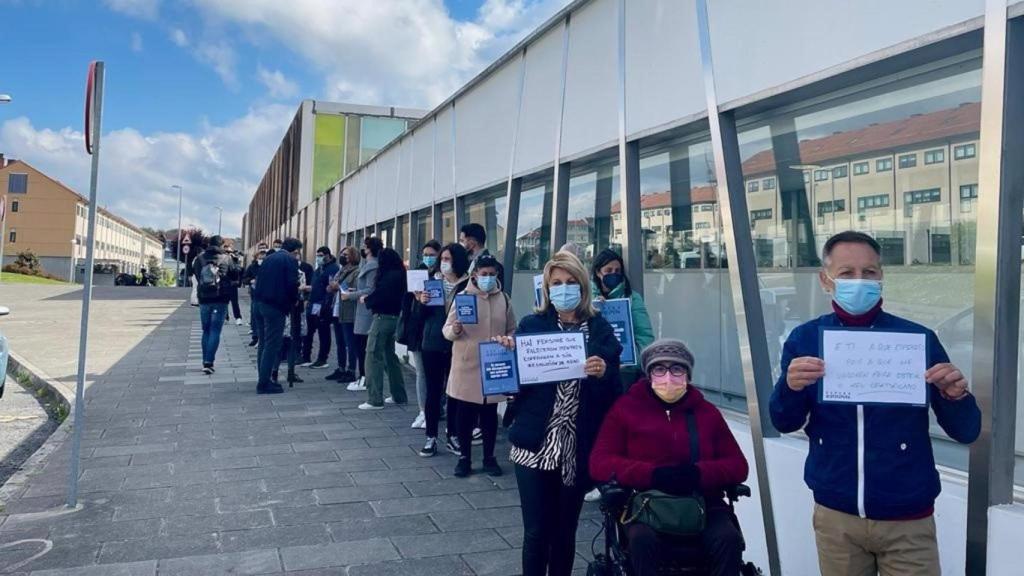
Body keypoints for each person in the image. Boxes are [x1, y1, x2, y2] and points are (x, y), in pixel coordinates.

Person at [769, 230, 981, 576]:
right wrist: (789, 388)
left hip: (908, 518)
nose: (859, 281)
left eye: (869, 273)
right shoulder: (805, 339)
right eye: (847, 273)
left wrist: (956, 396)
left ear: (881, 277)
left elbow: (966, 429)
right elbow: (784, 421)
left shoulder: (916, 339)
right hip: (837, 515)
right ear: (826, 280)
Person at [495, 250, 622, 576]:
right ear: (547, 290)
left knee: (565, 534)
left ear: (582, 287)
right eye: (557, 283)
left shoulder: (601, 330)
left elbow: (614, 394)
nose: (564, 289)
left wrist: (603, 371)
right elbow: (517, 385)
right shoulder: (532, 325)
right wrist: (507, 355)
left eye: (570, 282)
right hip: (534, 443)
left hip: (576, 449)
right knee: (536, 532)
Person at [590, 339, 749, 576]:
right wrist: (651, 474)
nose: (668, 377)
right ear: (648, 374)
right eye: (659, 369)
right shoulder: (626, 409)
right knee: (641, 541)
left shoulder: (707, 413)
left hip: (703, 501)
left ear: (688, 375)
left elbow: (738, 465)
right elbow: (599, 463)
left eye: (677, 369)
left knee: (728, 539)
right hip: (645, 502)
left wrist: (699, 473)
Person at [442, 254, 516, 477]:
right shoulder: (463, 297)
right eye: (484, 274)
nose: (488, 278)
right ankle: (464, 457)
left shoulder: (503, 298)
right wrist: (455, 330)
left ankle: (489, 457)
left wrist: (508, 340)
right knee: (465, 415)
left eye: (492, 275)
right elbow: (446, 329)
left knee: (489, 415)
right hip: (467, 364)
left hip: (494, 364)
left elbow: (512, 327)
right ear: (475, 275)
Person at [417, 242, 470, 457]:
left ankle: (452, 434)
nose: (443, 263)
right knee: (433, 390)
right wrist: (421, 302)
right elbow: (420, 318)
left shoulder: (468, 284)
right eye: (442, 259)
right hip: (432, 343)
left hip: (458, 343)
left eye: (448, 259)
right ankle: (430, 436)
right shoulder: (431, 282)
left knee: (455, 392)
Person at [358, 247, 408, 410]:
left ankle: (374, 399)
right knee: (389, 357)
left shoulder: (387, 276)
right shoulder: (401, 274)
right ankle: (399, 395)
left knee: (372, 355)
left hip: (382, 318)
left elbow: (380, 295)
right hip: (395, 317)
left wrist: (367, 299)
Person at [254, 237, 302, 394]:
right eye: (297, 253)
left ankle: (262, 377)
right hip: (275, 306)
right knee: (272, 344)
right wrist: (294, 300)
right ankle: (264, 383)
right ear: (295, 251)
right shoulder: (290, 261)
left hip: (260, 303)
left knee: (263, 342)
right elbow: (291, 284)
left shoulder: (269, 258)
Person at [400, 241, 440, 429]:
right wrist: (416, 299)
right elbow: (407, 305)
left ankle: (437, 408)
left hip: (436, 331)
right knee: (422, 373)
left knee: (439, 375)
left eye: (432, 254)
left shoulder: (443, 277)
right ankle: (423, 410)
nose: (428, 258)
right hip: (418, 330)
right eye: (425, 254)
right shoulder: (416, 274)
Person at [191, 235, 242, 375]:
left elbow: (195, 275)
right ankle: (209, 362)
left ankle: (204, 361)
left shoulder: (200, 259)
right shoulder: (227, 258)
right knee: (215, 330)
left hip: (204, 299)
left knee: (206, 330)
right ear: (221, 245)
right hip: (221, 299)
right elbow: (235, 276)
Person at [342, 237, 381, 392]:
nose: (363, 249)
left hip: (366, 311)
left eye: (364, 246)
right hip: (361, 309)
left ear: (369, 249)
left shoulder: (373, 266)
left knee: (363, 346)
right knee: (360, 345)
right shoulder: (368, 265)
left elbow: (370, 290)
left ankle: (365, 378)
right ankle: (363, 377)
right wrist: (354, 292)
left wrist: (351, 295)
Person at [300, 246, 340, 369]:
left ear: (328, 255)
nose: (318, 258)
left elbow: (331, 289)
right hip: (313, 303)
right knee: (308, 332)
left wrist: (325, 303)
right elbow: (315, 286)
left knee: (323, 332)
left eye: (321, 255)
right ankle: (305, 356)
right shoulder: (319, 269)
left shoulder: (333, 269)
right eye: (317, 255)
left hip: (324, 305)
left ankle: (322, 358)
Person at [326, 246, 360, 383]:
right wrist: (332, 286)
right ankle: (340, 368)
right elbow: (330, 287)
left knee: (350, 342)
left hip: (348, 310)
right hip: (337, 309)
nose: (343, 257)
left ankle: (351, 370)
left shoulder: (356, 272)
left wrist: (337, 285)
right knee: (339, 342)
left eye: (346, 255)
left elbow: (353, 289)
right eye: (342, 254)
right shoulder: (341, 271)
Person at [242, 247, 267, 347]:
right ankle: (255, 337)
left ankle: (261, 338)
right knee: (255, 315)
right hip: (255, 294)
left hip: (265, 295)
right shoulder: (252, 267)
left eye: (264, 257)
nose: (261, 258)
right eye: (260, 257)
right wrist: (250, 280)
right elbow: (244, 279)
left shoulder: (268, 266)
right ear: (256, 257)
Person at [222, 240, 245, 326]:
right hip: (223, 283)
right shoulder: (220, 260)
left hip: (232, 283)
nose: (227, 254)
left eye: (228, 252)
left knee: (234, 301)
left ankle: (238, 318)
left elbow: (239, 269)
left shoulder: (234, 259)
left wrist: (234, 262)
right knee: (224, 302)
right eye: (225, 252)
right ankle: (225, 317)